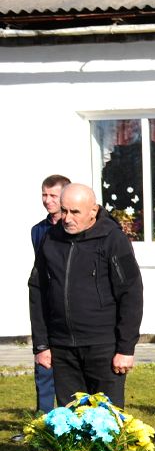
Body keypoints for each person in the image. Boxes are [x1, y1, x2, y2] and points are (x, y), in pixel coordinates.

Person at [29, 184, 143, 408]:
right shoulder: (51, 239)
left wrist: (125, 348)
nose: (67, 218)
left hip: (103, 346)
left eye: (75, 212)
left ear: (93, 211)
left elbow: (131, 293)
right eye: (64, 210)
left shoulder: (113, 239)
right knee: (71, 418)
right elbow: (37, 290)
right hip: (62, 347)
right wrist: (41, 345)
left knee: (106, 419)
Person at [28, 174, 70, 418]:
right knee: (43, 361)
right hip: (46, 302)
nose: (47, 200)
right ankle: (42, 419)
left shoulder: (72, 226)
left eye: (53, 195)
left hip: (70, 303)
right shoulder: (38, 230)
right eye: (44, 194)